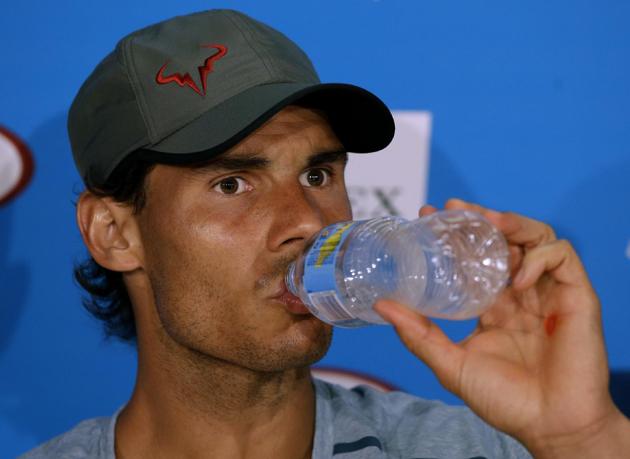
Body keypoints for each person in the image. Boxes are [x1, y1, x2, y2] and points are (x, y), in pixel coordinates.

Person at [21, 9, 630, 459]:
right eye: (232, 184)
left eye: (318, 173)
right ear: (114, 232)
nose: (309, 220)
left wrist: (582, 436)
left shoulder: (471, 448)